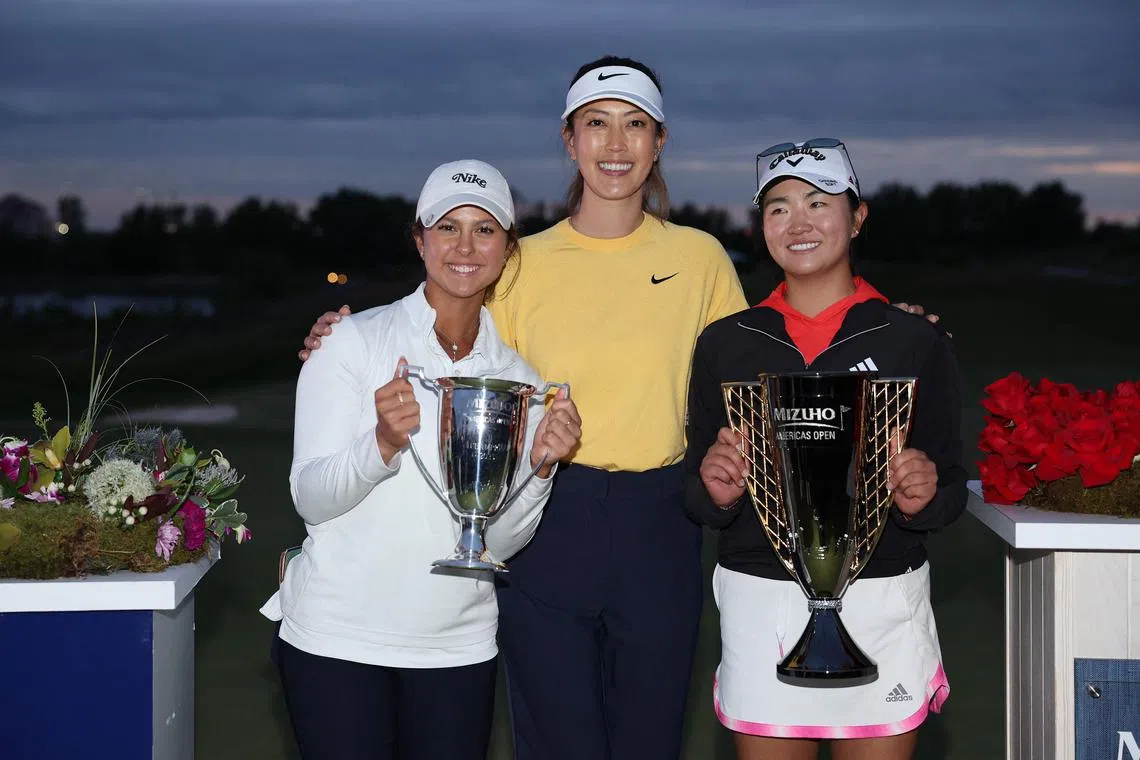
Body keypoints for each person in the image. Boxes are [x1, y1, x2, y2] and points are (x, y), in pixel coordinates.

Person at [295, 59, 938, 760]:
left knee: (648, 739)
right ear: (569, 140)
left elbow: (773, 363)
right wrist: (344, 331)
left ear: (659, 142)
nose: (615, 143)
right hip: (544, 519)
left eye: (635, 125)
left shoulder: (699, 258)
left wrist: (885, 325)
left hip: (660, 522)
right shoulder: (519, 262)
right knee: (557, 741)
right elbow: (452, 320)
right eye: (596, 124)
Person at [259, 159, 582, 760]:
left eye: (485, 230)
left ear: (509, 249)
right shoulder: (351, 342)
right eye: (447, 227)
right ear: (420, 240)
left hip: (456, 647)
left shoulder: (518, 381)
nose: (465, 246)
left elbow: (498, 544)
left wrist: (540, 469)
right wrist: (380, 443)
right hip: (337, 639)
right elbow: (311, 497)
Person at [684, 138, 967, 760]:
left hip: (881, 594)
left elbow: (951, 488)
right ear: (761, 227)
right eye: (779, 207)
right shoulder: (727, 344)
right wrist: (715, 487)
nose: (800, 222)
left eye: (819, 202)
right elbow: (696, 492)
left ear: (857, 216)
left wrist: (921, 496)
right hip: (763, 599)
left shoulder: (912, 340)